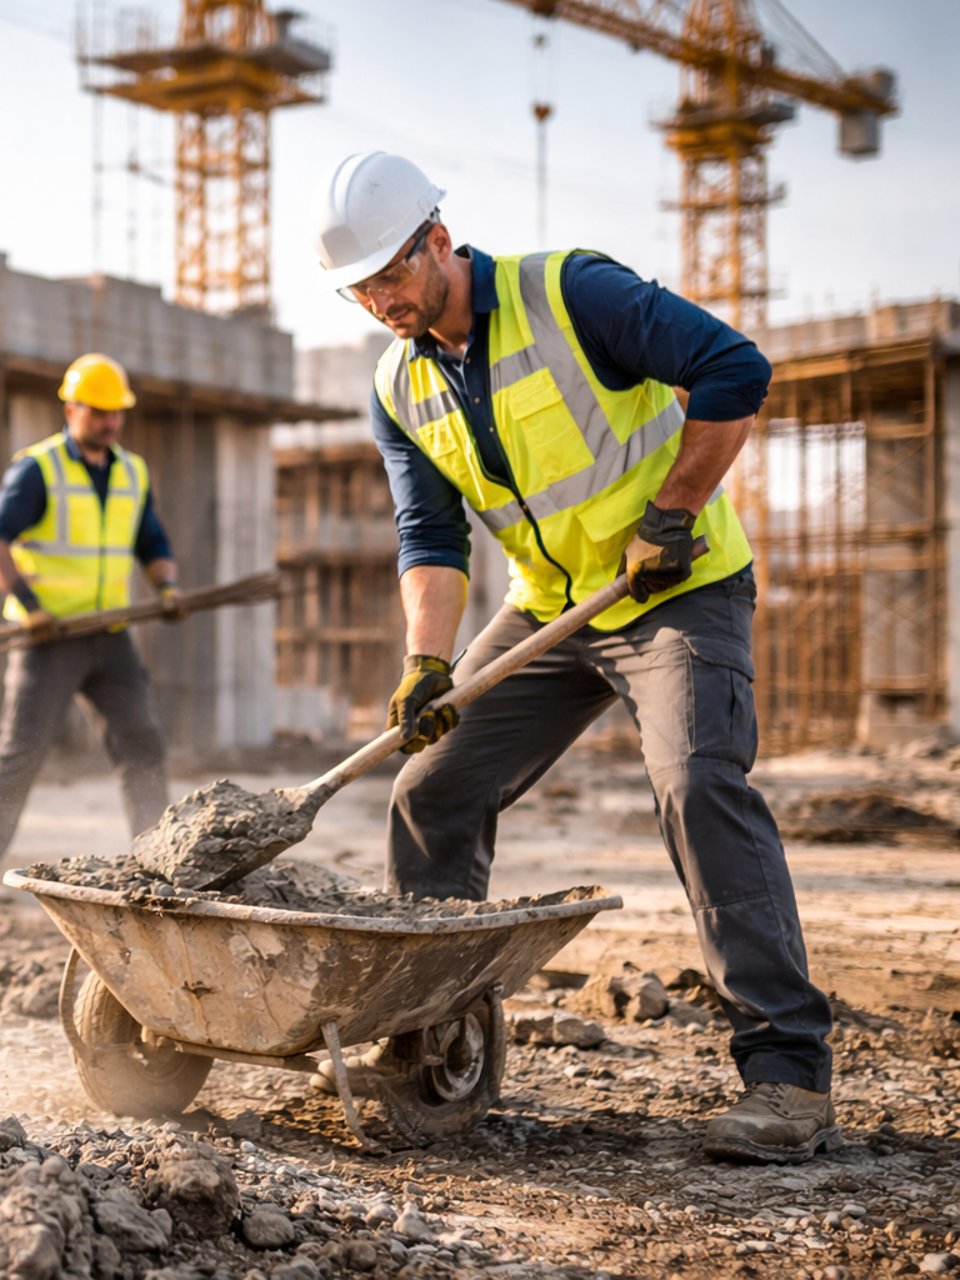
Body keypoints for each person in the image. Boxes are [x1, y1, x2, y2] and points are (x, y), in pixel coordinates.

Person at [313, 151, 835, 1164]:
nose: (381, 299)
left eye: (391, 273)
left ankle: (786, 1073)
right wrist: (429, 664)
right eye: (361, 287)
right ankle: (439, 1041)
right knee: (430, 791)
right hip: (552, 609)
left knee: (695, 782)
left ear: (437, 241)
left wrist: (672, 511)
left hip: (679, 591)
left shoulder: (570, 293)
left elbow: (736, 367)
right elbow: (429, 536)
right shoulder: (397, 383)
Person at [0, 353, 182, 896]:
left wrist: (167, 587)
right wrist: (28, 605)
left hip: (109, 635)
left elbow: (151, 541)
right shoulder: (38, 468)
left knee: (142, 744)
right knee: (23, 748)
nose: (110, 422)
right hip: (49, 638)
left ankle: (161, 862)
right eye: (100, 412)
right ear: (71, 407)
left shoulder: (132, 471)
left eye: (116, 413)